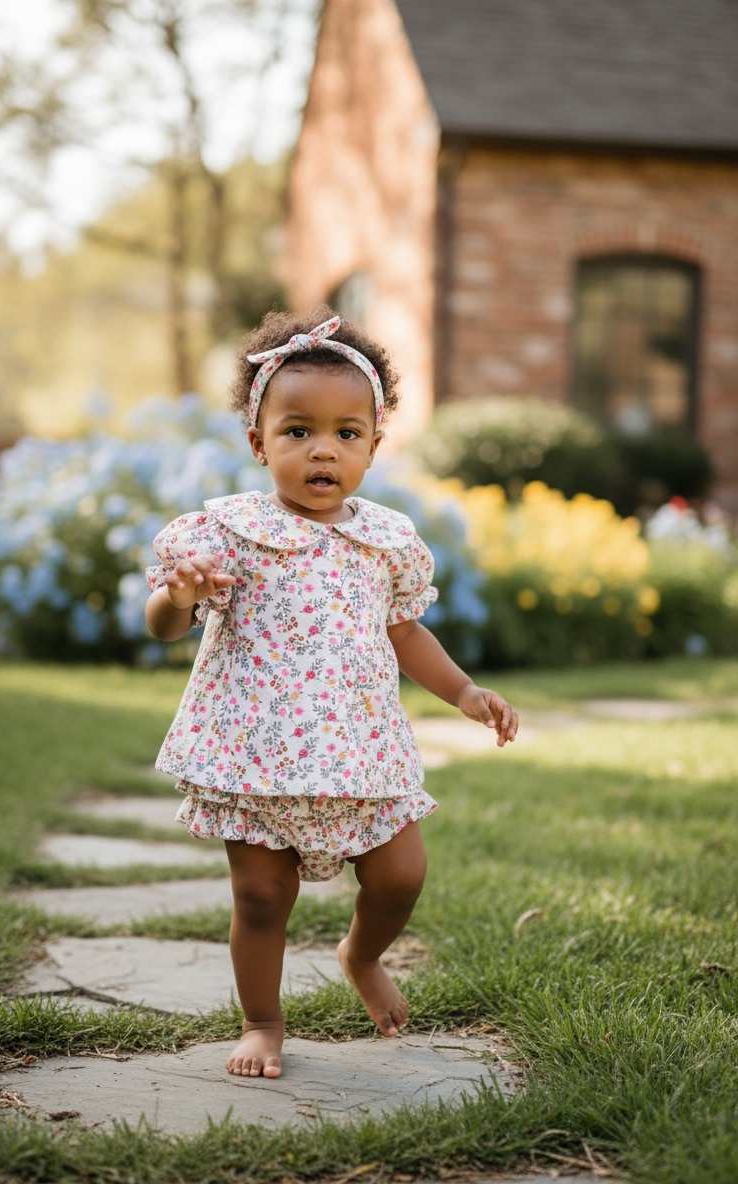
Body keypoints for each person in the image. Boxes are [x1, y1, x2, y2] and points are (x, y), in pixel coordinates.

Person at [145, 307, 518, 1079]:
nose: (323, 449)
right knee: (260, 896)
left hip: (362, 750)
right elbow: (164, 628)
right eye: (298, 431)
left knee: (400, 875)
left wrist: (463, 692)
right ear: (259, 442)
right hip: (257, 752)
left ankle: (361, 954)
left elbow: (405, 632)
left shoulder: (384, 541)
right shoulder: (228, 534)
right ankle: (262, 1022)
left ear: (374, 446)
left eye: (347, 433)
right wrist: (179, 597)